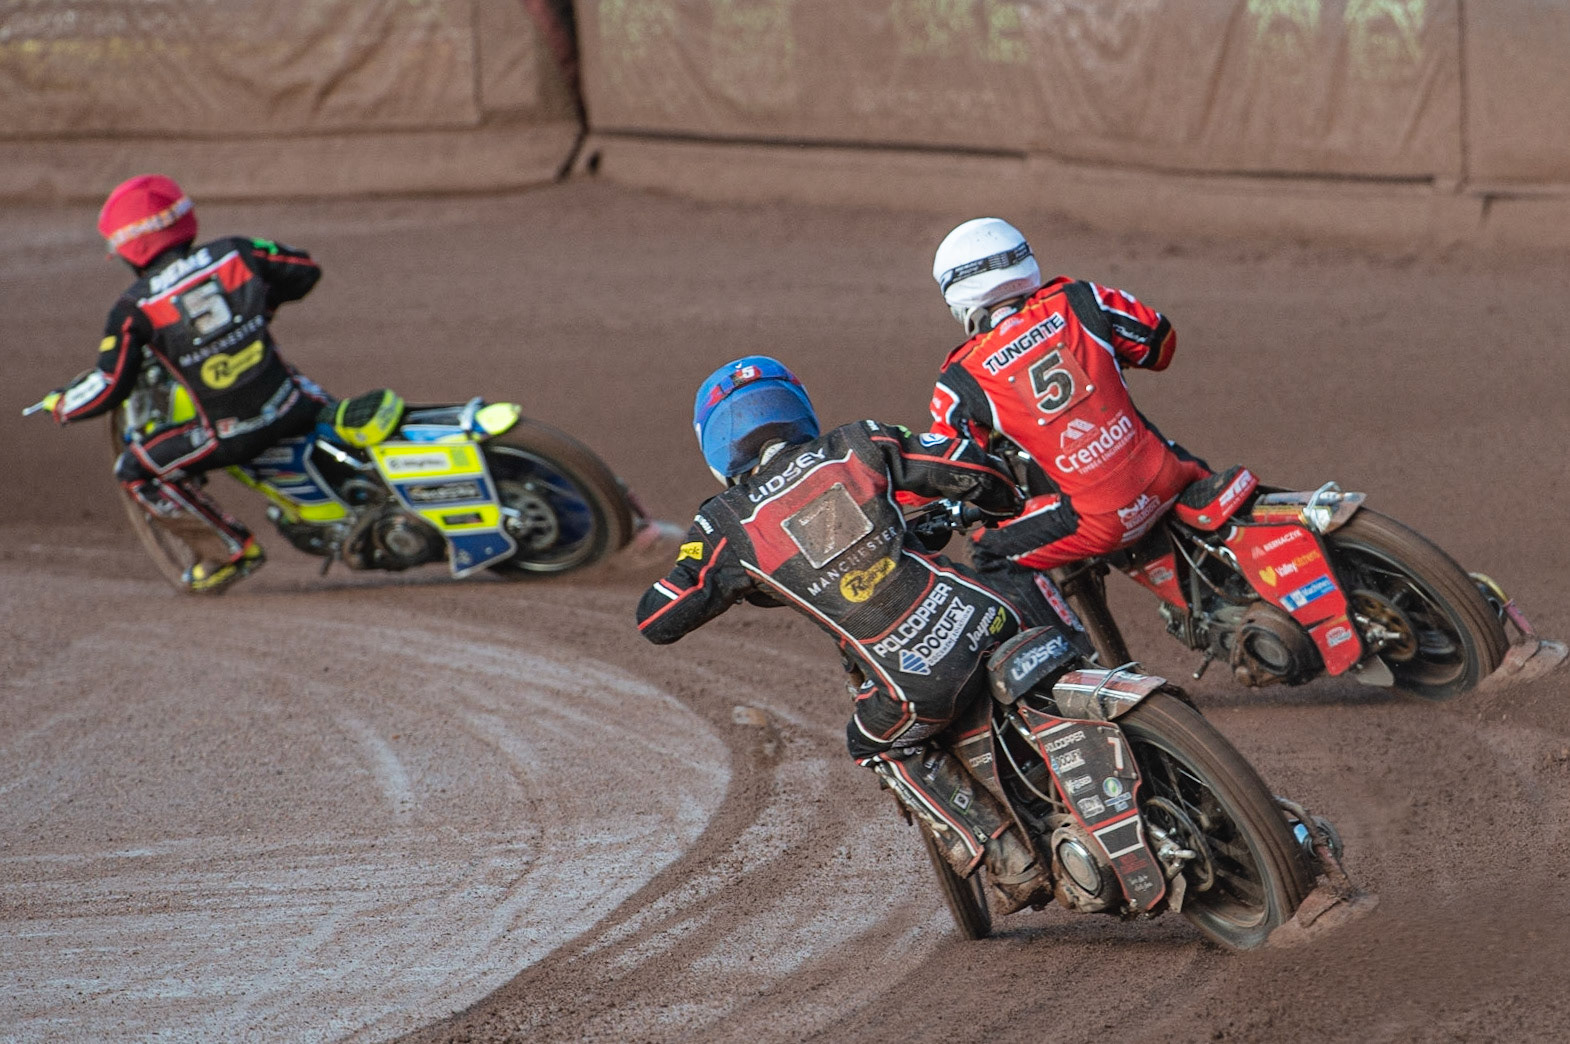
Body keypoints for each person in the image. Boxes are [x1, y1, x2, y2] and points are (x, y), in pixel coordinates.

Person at [635, 355, 1080, 913]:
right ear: (795, 409)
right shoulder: (858, 441)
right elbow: (969, 466)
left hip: (914, 685)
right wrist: (1000, 499)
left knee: (873, 742)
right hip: (989, 618)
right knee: (1042, 639)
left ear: (718, 446)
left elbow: (659, 620)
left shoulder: (725, 523)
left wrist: (724, 584)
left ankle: (1004, 855)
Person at [39, 173, 330, 592]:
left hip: (229, 433)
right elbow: (303, 271)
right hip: (293, 402)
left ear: (127, 246)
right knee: (332, 410)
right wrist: (253, 310)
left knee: (137, 469)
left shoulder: (133, 308)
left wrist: (62, 403)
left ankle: (229, 552)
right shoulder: (237, 252)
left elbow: (109, 386)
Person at [925, 217, 1211, 614]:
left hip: (1099, 520)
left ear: (959, 295)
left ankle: (1062, 661)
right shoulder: (1081, 297)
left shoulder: (960, 376)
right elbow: (1159, 345)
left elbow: (954, 465)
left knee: (987, 553)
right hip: (1169, 473)